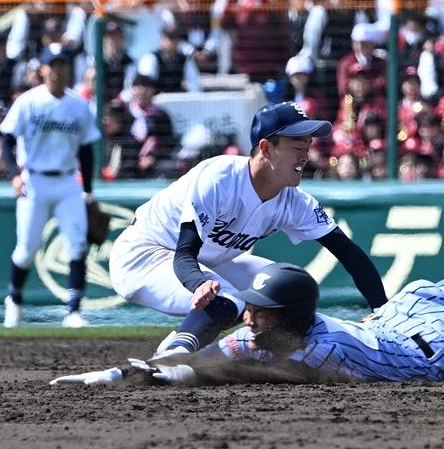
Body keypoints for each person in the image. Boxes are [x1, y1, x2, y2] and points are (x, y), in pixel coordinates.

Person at [51, 134, 444, 386]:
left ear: (286, 318)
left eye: (259, 309)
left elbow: (191, 370)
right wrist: (116, 374)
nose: (249, 315)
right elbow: (189, 365)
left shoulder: (305, 348)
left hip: (433, 345)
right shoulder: (291, 329)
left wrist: (122, 375)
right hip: (402, 311)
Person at [107, 101, 388, 359]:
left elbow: (349, 254)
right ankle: (173, 353)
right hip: (143, 256)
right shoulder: (219, 178)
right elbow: (184, 255)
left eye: (308, 145)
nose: (306, 155)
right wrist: (198, 284)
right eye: (297, 146)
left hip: (204, 261)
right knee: (227, 299)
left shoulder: (294, 200)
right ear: (266, 148)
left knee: (284, 290)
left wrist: (382, 312)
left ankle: (277, 358)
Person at [0, 44, 101, 328]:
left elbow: (87, 150)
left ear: (70, 68)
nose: (57, 70)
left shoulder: (78, 105)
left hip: (68, 181)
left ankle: (73, 310)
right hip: (34, 181)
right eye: (52, 64)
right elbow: (6, 139)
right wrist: (13, 174)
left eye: (62, 64)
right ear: (42, 69)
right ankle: (14, 300)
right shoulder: (28, 102)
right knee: (26, 250)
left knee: (77, 245)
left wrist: (88, 191)